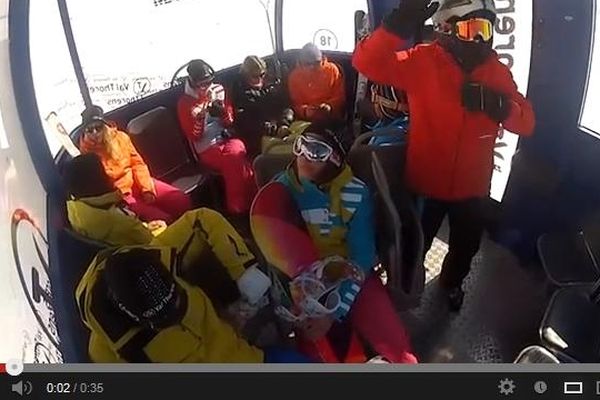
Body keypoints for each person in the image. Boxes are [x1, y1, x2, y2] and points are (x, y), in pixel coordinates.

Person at [353, 0, 535, 310]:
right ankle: (406, 285)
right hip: (425, 183)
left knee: (466, 247)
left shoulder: (496, 73)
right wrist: (401, 20)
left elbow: (526, 123)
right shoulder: (422, 61)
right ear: (445, 28)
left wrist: (500, 106)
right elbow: (366, 62)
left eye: (485, 29)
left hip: (473, 189)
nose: (480, 39)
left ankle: (451, 284)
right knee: (414, 242)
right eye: (471, 28)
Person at [275, 124, 417, 363]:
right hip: (305, 281)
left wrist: (334, 312)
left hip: (352, 274)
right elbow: (271, 238)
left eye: (316, 151)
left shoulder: (354, 194)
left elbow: (361, 257)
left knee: (401, 355)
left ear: (336, 159)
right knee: (319, 354)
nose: (302, 156)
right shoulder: (281, 187)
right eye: (300, 145)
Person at [76, 247, 312, 363]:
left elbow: (205, 218)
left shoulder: (161, 261)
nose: (178, 317)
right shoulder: (106, 353)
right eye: (163, 321)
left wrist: (235, 298)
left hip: (249, 356)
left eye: (179, 299)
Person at [79, 105, 191, 224]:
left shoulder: (121, 137)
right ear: (85, 132)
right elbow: (102, 190)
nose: (95, 133)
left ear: (105, 126)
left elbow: (138, 164)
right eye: (90, 130)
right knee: (163, 219)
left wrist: (146, 189)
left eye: (98, 127)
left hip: (138, 181)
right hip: (122, 196)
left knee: (181, 200)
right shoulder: (87, 157)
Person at [177, 59, 257, 217]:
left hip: (227, 138)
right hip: (207, 147)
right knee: (237, 162)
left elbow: (229, 121)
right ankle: (244, 206)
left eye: (208, 82)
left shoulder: (218, 90)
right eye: (201, 84)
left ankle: (244, 206)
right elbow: (193, 136)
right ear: (192, 83)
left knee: (237, 154)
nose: (205, 88)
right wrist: (200, 119)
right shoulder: (185, 103)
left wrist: (222, 112)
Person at [231, 55, 290, 158]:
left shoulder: (271, 84)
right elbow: (247, 121)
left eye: (262, 74)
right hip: (259, 136)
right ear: (246, 75)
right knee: (284, 152)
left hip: (282, 125)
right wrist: (274, 130)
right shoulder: (240, 93)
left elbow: (285, 105)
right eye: (255, 76)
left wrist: (284, 123)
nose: (259, 78)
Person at [288, 43, 346, 123]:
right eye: (307, 64)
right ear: (301, 62)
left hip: (331, 118)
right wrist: (305, 111)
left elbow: (340, 96)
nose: (312, 67)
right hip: (306, 121)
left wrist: (329, 106)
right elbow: (295, 103)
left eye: (316, 63)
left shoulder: (332, 70)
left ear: (322, 59)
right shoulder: (294, 76)